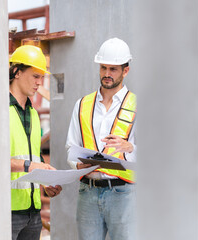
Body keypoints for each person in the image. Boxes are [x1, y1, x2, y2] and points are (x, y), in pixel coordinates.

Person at [66, 37, 137, 240]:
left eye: (113, 69)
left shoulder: (137, 105)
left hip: (123, 194)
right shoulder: (82, 104)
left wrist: (130, 147)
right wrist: (76, 165)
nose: (106, 74)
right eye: (103, 67)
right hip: (88, 192)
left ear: (126, 70)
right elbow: (71, 146)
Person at [9, 45, 62, 240]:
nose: (40, 83)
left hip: (32, 212)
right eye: (35, 76)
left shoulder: (33, 113)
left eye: (42, 77)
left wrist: (46, 183)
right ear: (17, 72)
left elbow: (32, 156)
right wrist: (29, 165)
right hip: (8, 211)